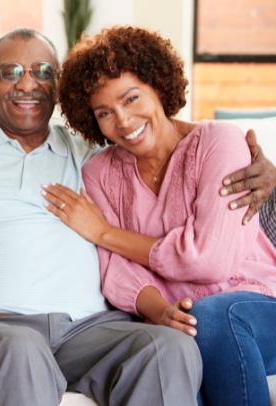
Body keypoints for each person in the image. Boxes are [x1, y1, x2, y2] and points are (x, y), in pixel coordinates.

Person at [0, 27, 276, 406]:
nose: (28, 83)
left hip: (90, 327)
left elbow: (151, 153)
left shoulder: (88, 153)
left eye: (43, 71)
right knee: (20, 349)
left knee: (168, 347)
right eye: (10, 72)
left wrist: (259, 162)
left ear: (58, 89)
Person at [43, 26, 276, 406]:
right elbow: (115, 271)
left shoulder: (220, 143)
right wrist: (161, 312)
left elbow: (209, 258)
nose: (123, 120)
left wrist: (104, 233)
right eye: (105, 112)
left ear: (157, 85)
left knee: (214, 318)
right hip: (184, 324)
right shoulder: (98, 174)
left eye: (132, 98)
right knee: (175, 359)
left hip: (255, 308)